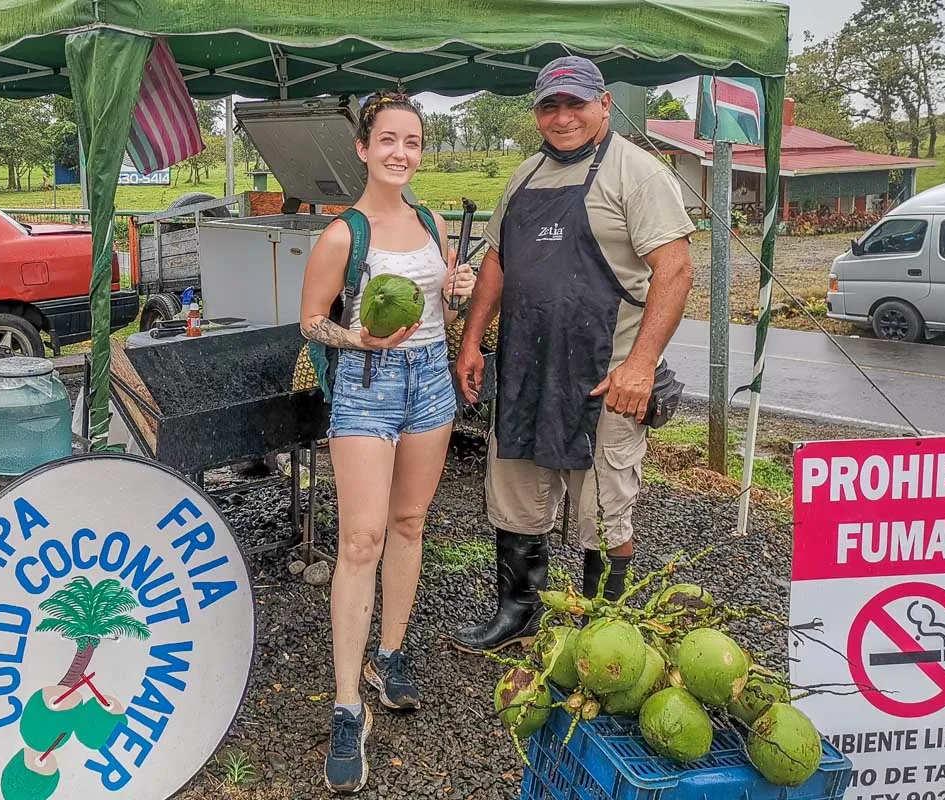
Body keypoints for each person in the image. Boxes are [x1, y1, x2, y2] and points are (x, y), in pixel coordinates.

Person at [450, 56, 696, 654]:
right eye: (549, 106)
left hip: (604, 380)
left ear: (604, 104)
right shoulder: (524, 177)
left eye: (575, 104)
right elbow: (497, 262)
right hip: (526, 375)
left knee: (603, 511)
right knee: (514, 498)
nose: (562, 118)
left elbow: (676, 267)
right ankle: (518, 612)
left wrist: (639, 366)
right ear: (536, 111)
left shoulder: (636, 174)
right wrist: (473, 339)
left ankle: (602, 633)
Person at [298, 91, 476, 794]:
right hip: (368, 383)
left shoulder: (432, 221)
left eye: (414, 141)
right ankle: (348, 705)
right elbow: (312, 321)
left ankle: (391, 655)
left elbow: (439, 304)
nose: (402, 151)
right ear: (364, 148)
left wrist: (455, 287)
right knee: (360, 540)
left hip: (431, 380)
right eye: (390, 140)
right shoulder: (344, 234)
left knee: (409, 524)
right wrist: (357, 337)